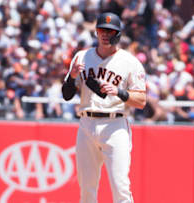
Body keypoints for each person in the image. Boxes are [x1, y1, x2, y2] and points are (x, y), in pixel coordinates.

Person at [61, 12, 146, 203]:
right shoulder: (82, 57)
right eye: (101, 30)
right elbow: (67, 95)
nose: (105, 34)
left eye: (110, 31)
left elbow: (141, 101)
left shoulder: (130, 62)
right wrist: (73, 76)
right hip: (86, 123)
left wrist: (120, 92)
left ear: (118, 34)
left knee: (120, 187)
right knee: (87, 188)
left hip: (114, 125)